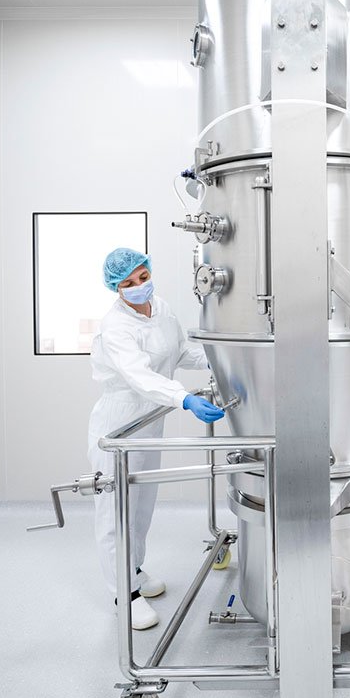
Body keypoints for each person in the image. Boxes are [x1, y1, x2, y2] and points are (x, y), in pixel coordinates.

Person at [88, 248, 226, 630]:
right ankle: (124, 595)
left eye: (143, 277)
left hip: (150, 421)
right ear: (116, 288)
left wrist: (219, 360)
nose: (139, 287)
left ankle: (134, 570)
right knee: (117, 512)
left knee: (142, 506)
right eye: (128, 283)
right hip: (119, 422)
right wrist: (184, 399)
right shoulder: (115, 326)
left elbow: (178, 351)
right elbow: (140, 377)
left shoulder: (161, 308)